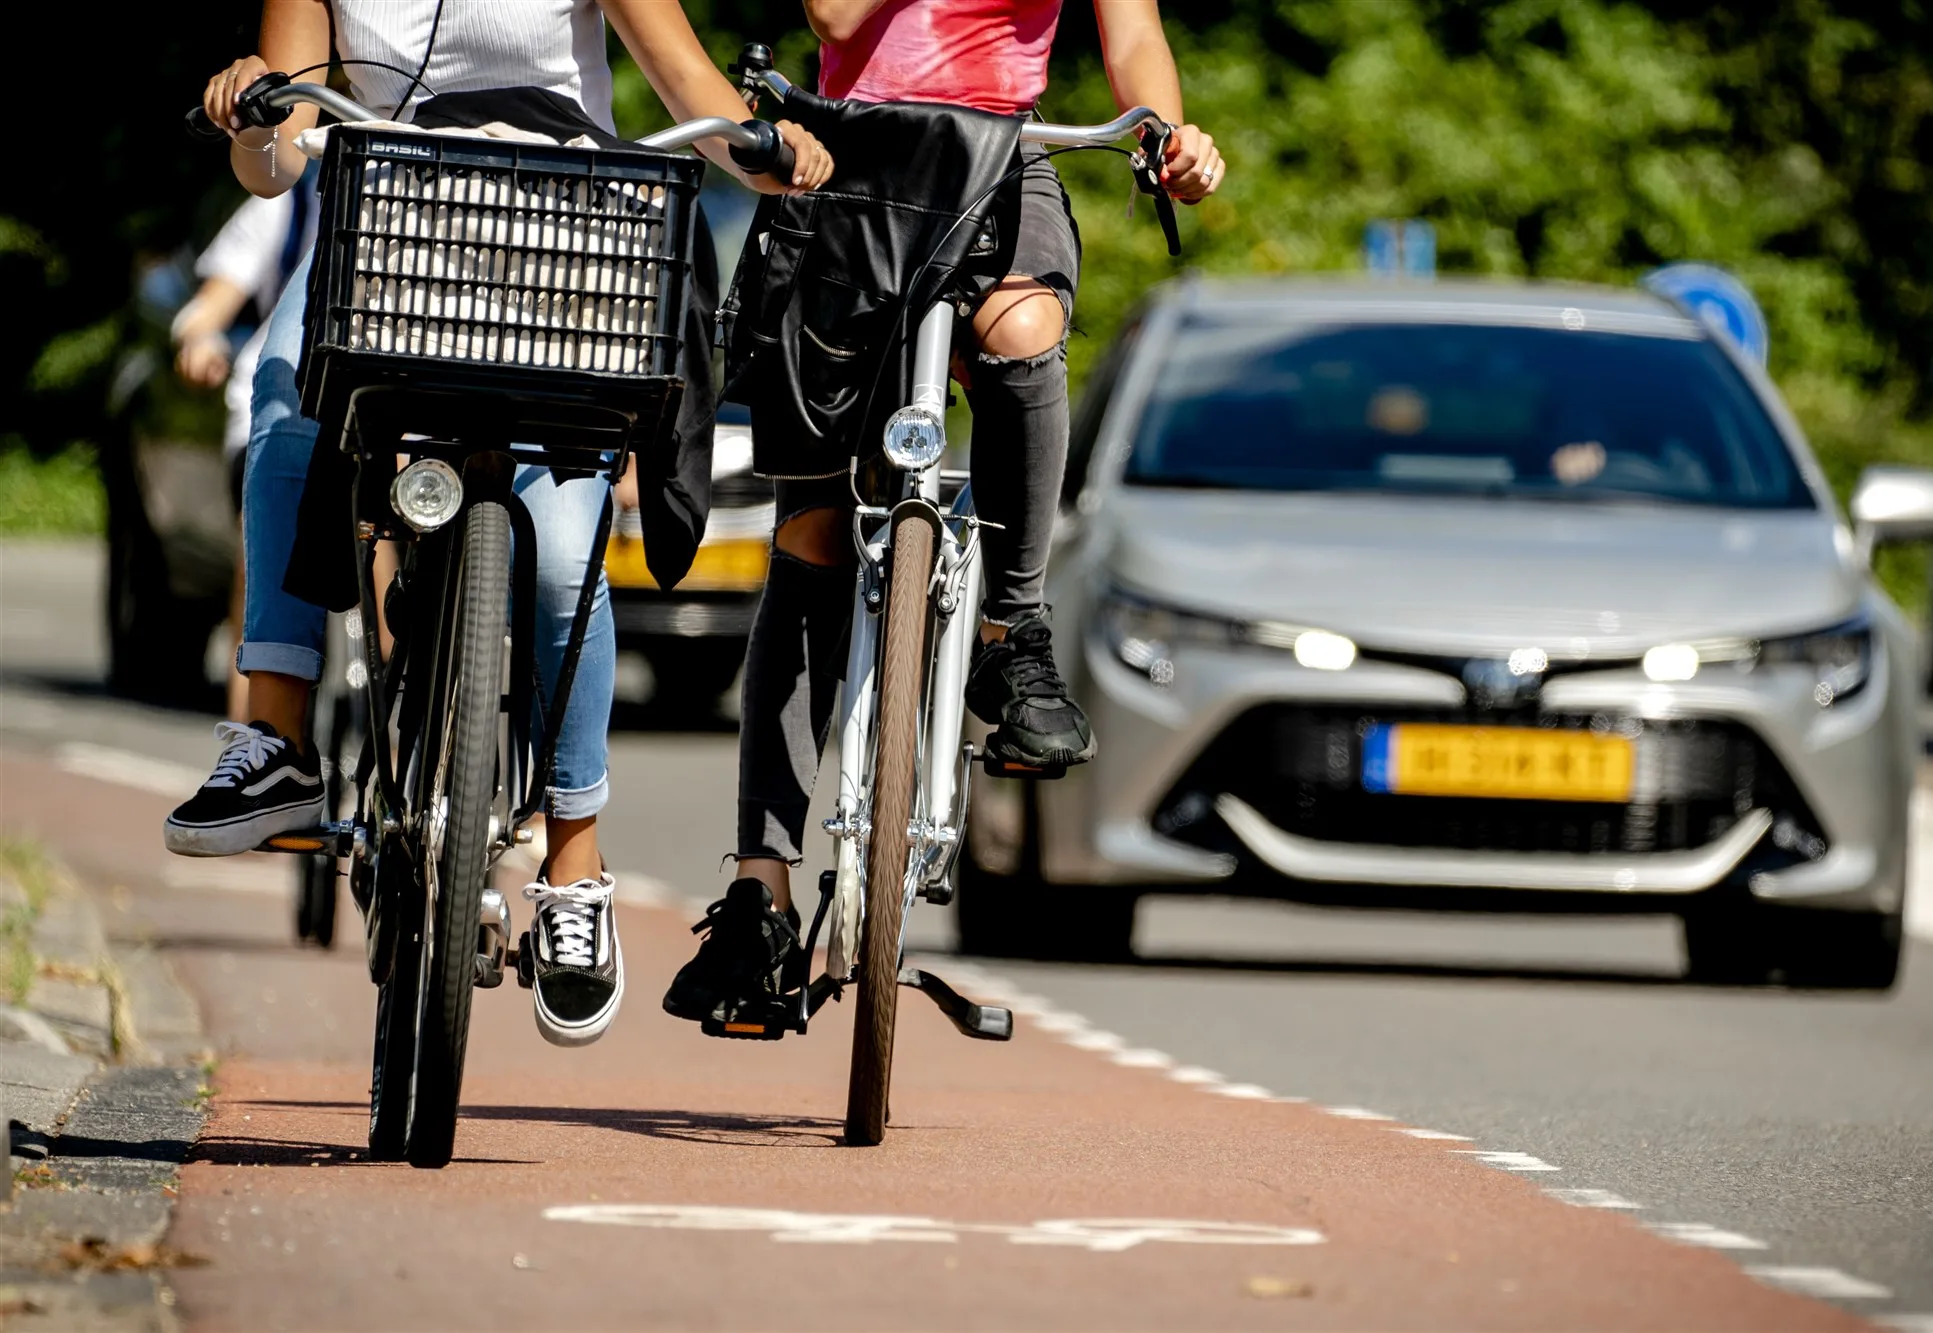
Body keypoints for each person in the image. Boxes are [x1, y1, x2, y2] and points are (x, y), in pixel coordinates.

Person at [166, 0, 831, 1048]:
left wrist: (766, 148)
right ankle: (277, 738)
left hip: (558, 234)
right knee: (285, 406)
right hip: (387, 230)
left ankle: (573, 867)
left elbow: (687, 91)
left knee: (567, 555)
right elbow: (279, 157)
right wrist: (256, 115)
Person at [663, 0, 1224, 1022]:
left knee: (1022, 327)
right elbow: (832, 12)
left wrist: (1161, 133)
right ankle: (761, 886)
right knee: (817, 529)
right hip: (856, 157)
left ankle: (1011, 631)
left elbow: (1133, 34)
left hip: (1004, 152)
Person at [171, 171, 320, 723]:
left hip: (380, 413)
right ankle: (251, 733)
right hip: (275, 397)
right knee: (260, 548)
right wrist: (199, 339)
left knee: (389, 555)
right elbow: (210, 306)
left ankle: (409, 748)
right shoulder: (295, 189)